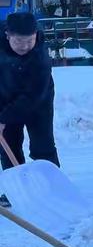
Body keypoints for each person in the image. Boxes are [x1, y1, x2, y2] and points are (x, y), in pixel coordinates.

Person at [0, 12, 58, 208]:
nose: (24, 46)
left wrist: (3, 118)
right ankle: (16, 190)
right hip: (4, 97)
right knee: (8, 146)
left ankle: (51, 187)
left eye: (29, 41)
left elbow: (32, 97)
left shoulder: (40, 58)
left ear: (36, 35)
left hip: (37, 101)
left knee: (42, 144)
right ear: (8, 35)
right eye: (18, 41)